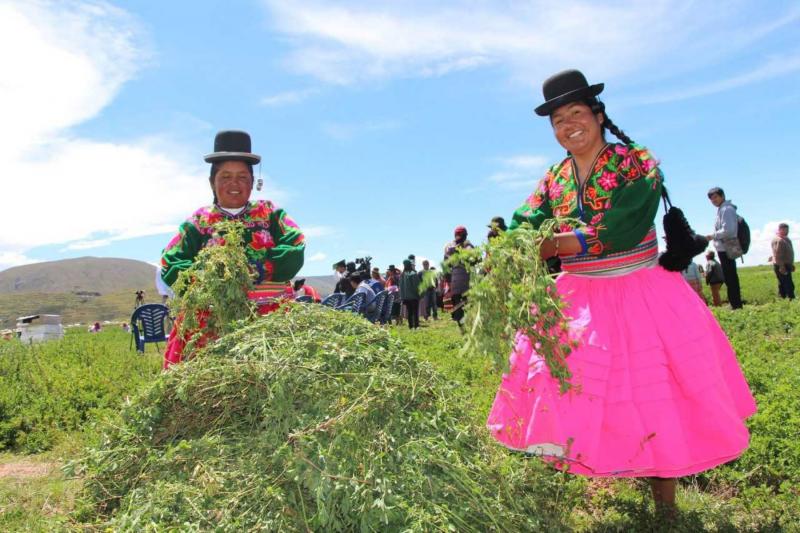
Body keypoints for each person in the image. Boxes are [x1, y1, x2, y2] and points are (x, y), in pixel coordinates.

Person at [486, 70, 756, 514]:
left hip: (639, 292)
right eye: (557, 120)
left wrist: (565, 243)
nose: (568, 125)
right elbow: (526, 222)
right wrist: (511, 243)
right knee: (580, 390)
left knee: (655, 392)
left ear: (597, 114)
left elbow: (627, 221)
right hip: (579, 296)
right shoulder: (554, 178)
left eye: (576, 113)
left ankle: (665, 504)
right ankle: (598, 466)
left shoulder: (634, 162)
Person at [160, 130, 305, 368]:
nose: (234, 184)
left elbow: (295, 246)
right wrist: (210, 277)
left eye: (242, 177)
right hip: (210, 323)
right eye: (225, 176)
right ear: (212, 182)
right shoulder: (199, 221)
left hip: (270, 320)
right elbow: (172, 262)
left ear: (252, 181)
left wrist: (265, 267)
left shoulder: (270, 213)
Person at [706, 187, 742, 309]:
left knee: (730, 276)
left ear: (722, 196)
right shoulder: (722, 209)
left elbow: (729, 230)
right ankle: (735, 303)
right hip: (725, 247)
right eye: (711, 199)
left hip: (726, 247)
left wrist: (713, 236)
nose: (713, 200)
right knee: (729, 275)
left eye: (715, 197)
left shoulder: (726, 209)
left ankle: (736, 305)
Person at [443, 226, 474, 332]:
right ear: (465, 235)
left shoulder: (449, 249)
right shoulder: (468, 247)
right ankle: (469, 329)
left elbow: (445, 268)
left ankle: (463, 330)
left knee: (458, 307)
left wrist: (448, 282)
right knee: (469, 306)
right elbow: (475, 260)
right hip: (467, 282)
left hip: (455, 283)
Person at [770, 223, 795, 299]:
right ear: (780, 229)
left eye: (787, 230)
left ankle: (782, 298)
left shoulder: (785, 239)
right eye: (784, 229)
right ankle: (791, 299)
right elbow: (777, 254)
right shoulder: (779, 240)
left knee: (783, 283)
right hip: (781, 264)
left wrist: (791, 264)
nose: (786, 231)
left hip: (786, 264)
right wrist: (781, 266)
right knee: (788, 284)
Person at [399, 259, 421, 329]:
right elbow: (416, 285)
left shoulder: (402, 274)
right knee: (415, 312)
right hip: (414, 296)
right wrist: (419, 294)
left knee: (410, 312)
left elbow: (401, 287)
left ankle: (410, 326)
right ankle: (416, 326)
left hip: (406, 297)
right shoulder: (413, 273)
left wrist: (402, 297)